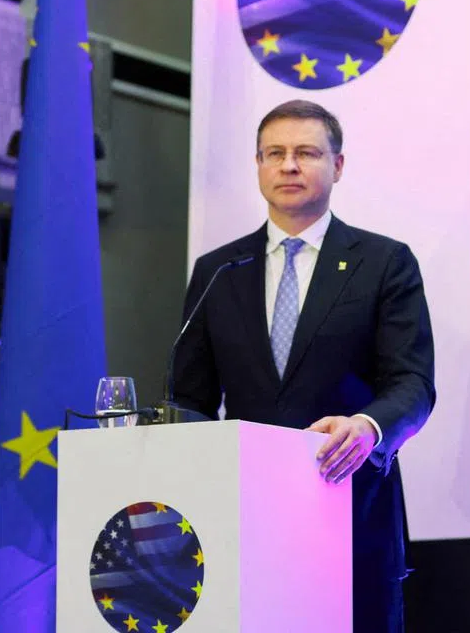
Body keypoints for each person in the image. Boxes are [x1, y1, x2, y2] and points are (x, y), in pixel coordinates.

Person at [168, 99, 435, 632]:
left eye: (306, 153)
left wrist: (369, 426)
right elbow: (188, 399)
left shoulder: (384, 262)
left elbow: (413, 383)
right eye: (275, 153)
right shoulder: (218, 270)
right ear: (259, 165)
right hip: (245, 520)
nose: (288, 165)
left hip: (351, 508)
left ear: (337, 166)